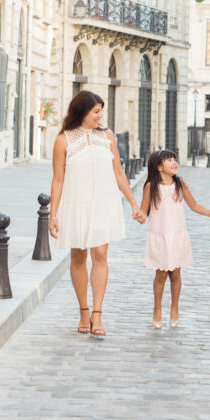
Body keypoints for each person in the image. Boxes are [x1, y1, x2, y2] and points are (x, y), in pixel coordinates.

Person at [49, 90, 141, 337]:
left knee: (100, 253)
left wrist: (134, 203)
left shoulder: (107, 137)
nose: (100, 116)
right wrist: (53, 214)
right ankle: (83, 310)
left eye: (101, 111)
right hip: (76, 205)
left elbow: (119, 173)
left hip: (104, 203)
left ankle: (97, 314)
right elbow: (58, 180)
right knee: (78, 256)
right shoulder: (64, 140)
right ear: (82, 112)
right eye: (96, 111)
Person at [137, 149, 210, 329]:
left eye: (174, 159)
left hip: (177, 236)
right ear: (159, 167)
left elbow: (193, 205)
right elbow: (143, 213)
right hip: (160, 236)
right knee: (161, 274)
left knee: (176, 273)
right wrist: (137, 214)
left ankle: (174, 308)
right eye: (169, 160)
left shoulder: (180, 184)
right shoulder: (150, 187)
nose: (173, 162)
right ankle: (157, 309)